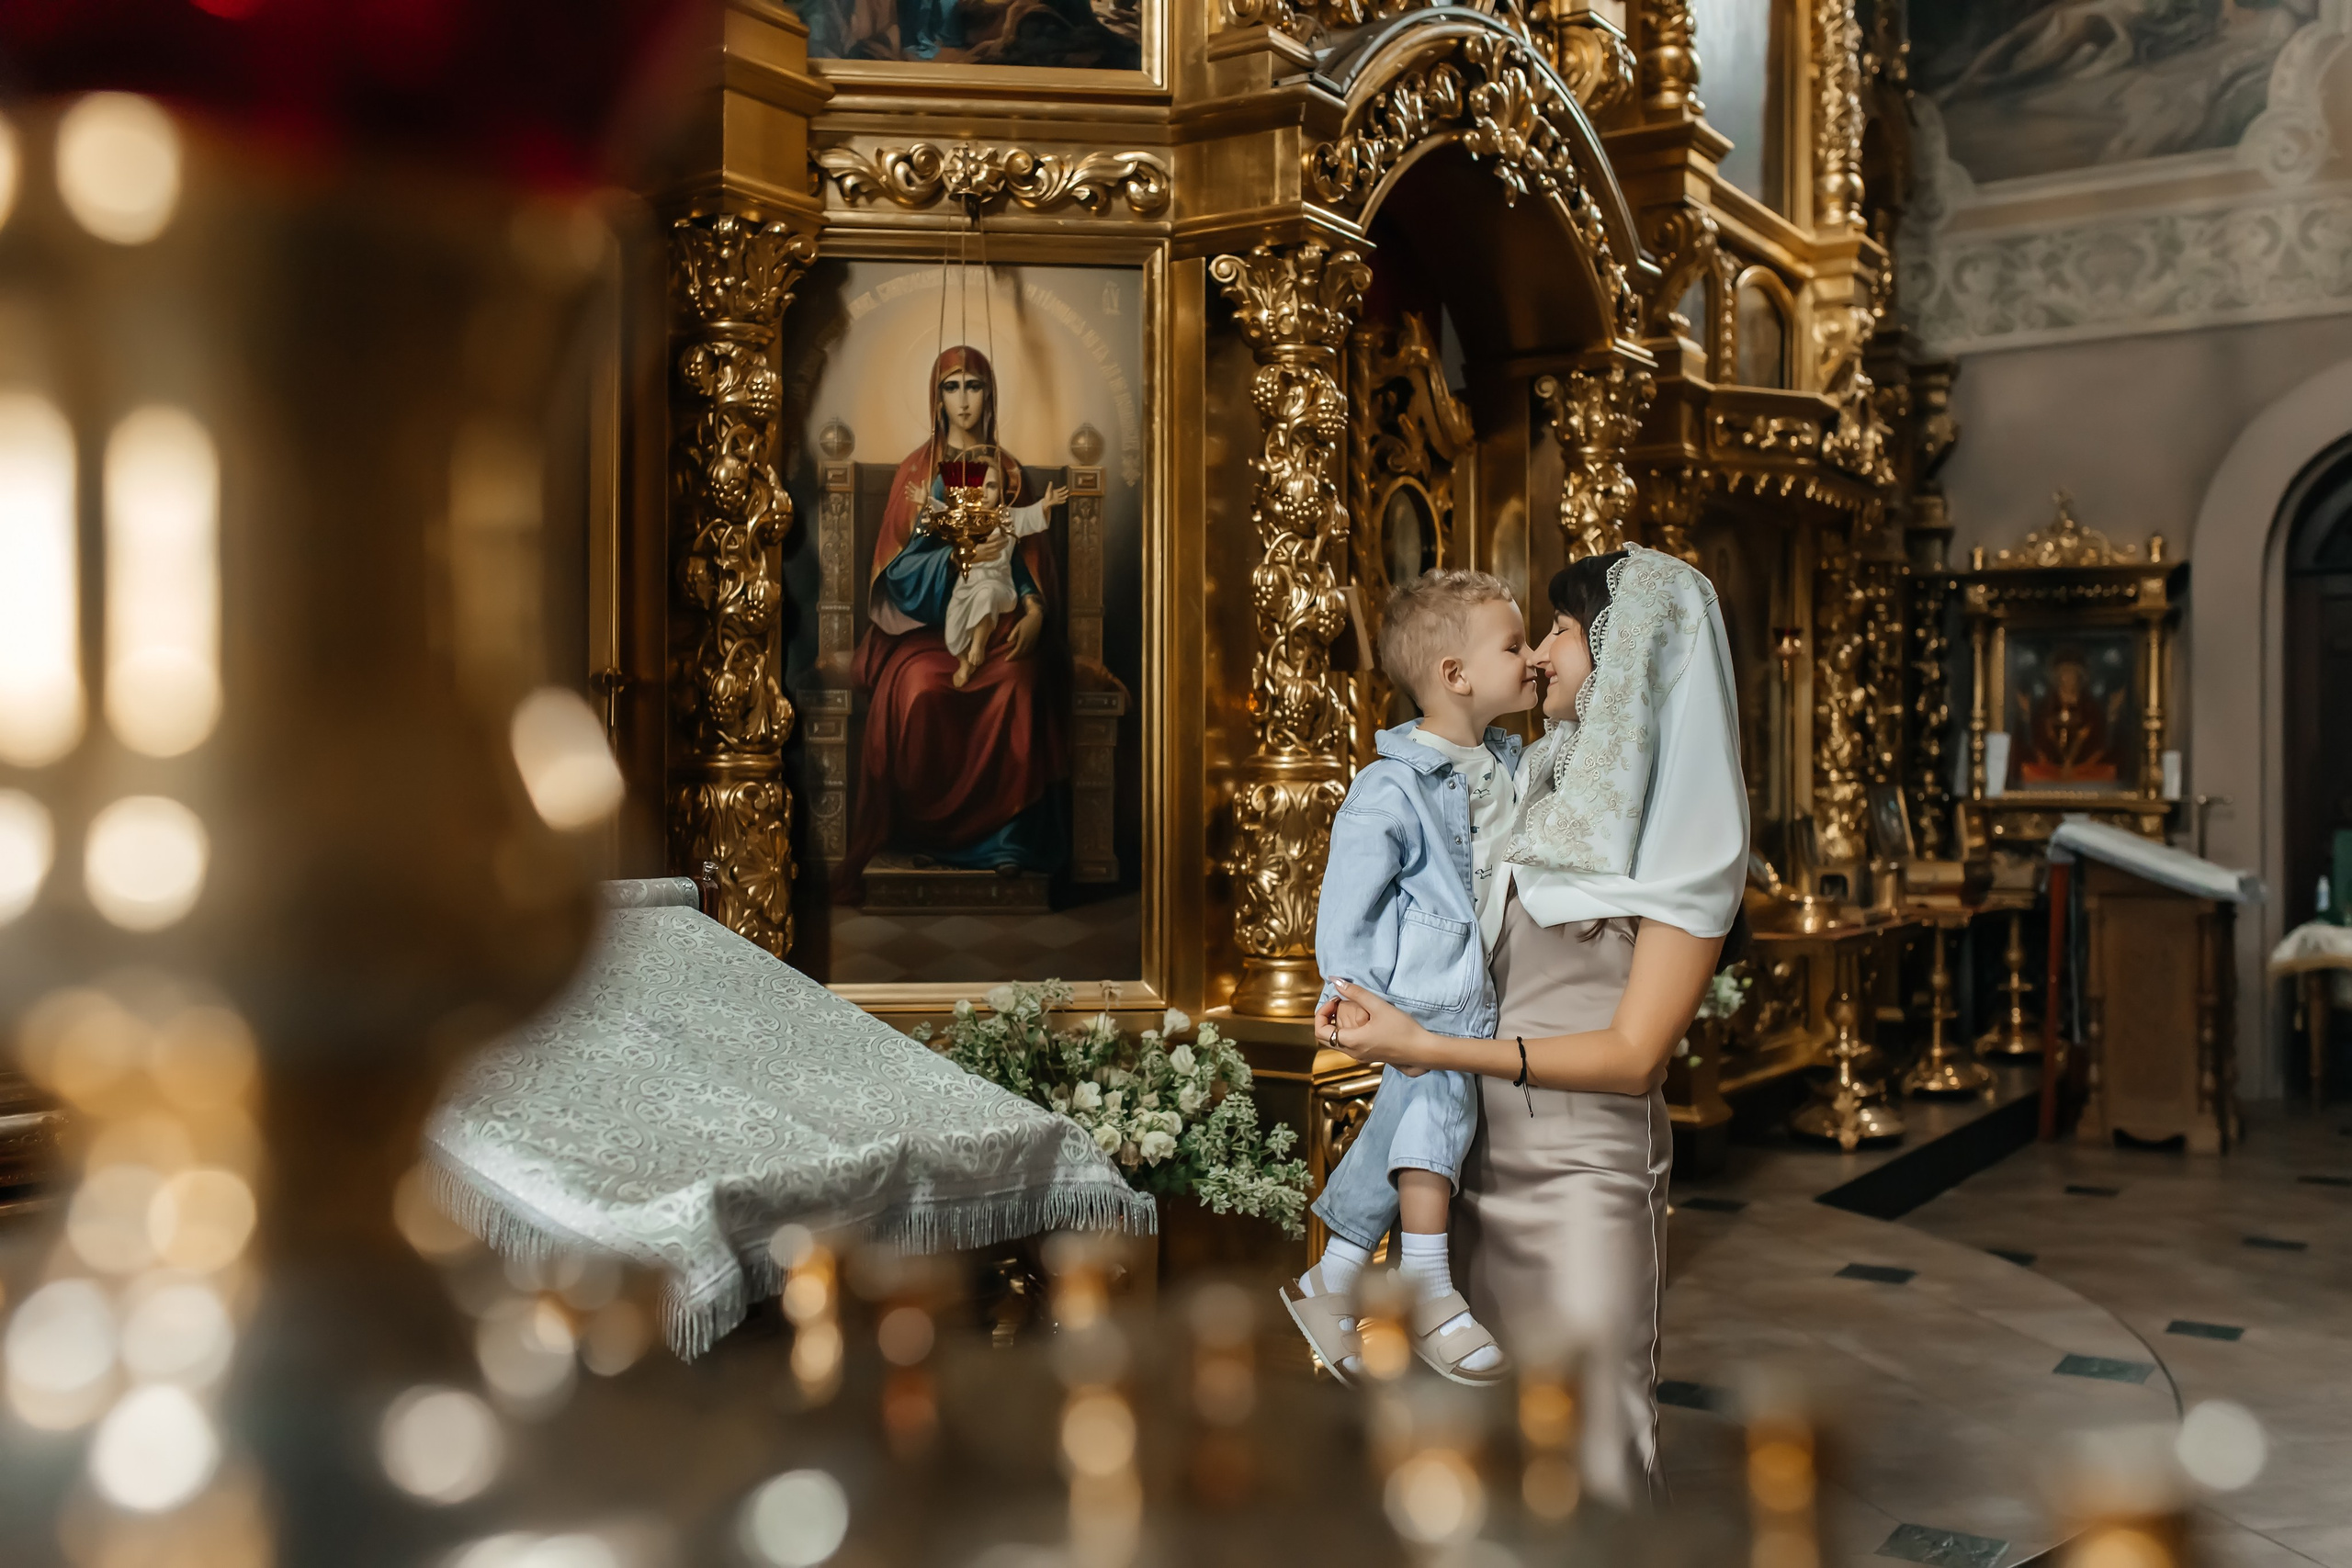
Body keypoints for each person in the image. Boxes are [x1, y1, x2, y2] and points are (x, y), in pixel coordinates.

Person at [1317, 543, 1749, 1507]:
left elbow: (1633, 1057)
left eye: (1560, 631)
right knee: (1474, 1458)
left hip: (1581, 1179)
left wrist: (1426, 1048)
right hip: (1474, 1161)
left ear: (1626, 652)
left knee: (1588, 1445)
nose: (1544, 654)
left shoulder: (1689, 839)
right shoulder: (1529, 781)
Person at [1280, 570, 1536, 1388]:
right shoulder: (1391, 784)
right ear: (1456, 676)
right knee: (1437, 1093)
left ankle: (1336, 1276)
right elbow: (1349, 892)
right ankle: (1425, 1285)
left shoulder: (1510, 761)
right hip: (1422, 980)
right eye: (1514, 645)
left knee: (1419, 1101)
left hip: (1480, 984)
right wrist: (1345, 988)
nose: (1531, 659)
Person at [842, 345, 1069, 895]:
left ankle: (1007, 842)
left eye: (974, 386)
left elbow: (1026, 559)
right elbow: (896, 570)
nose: (963, 400)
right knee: (918, 689)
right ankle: (927, 833)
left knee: (1019, 682)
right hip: (927, 632)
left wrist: (1035, 612)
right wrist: (954, 559)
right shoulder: (918, 474)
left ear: (990, 395)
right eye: (952, 386)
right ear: (935, 397)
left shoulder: (1006, 472)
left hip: (999, 623)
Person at [910, 452, 1069, 691]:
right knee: (952, 630)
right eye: (978, 485)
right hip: (966, 588)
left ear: (1002, 490)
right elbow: (941, 514)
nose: (984, 492)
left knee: (987, 595)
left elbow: (1034, 517)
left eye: (991, 485)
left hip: (999, 586)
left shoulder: (1008, 518)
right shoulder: (964, 518)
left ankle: (978, 646)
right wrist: (926, 501)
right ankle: (965, 663)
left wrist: (1046, 504)